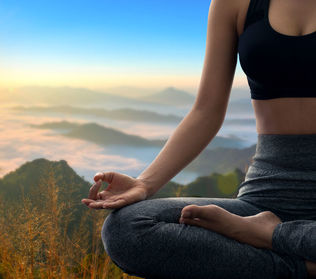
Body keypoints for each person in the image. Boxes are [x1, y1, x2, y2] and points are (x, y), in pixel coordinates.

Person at [81, 0, 316, 278]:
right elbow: (206, 110)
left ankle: (273, 238)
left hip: (263, 224)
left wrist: (271, 236)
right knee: (128, 227)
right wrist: (144, 184)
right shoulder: (236, 4)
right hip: (265, 197)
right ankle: (303, 264)